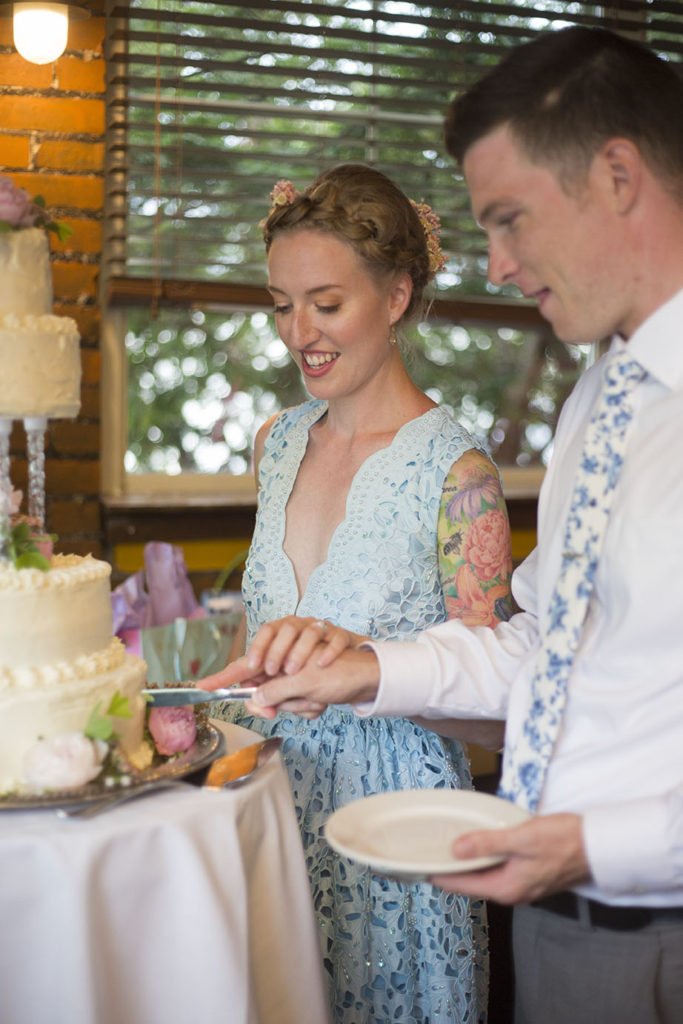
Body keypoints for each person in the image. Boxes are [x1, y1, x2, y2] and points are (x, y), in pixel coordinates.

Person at [205, 28, 683, 1024]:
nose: (495, 266)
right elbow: (541, 652)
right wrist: (366, 667)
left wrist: (595, 842)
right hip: (552, 915)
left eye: (509, 220)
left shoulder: (459, 462)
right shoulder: (596, 404)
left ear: (616, 176)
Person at [211, 162, 513, 1024]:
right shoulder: (276, 441)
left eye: (325, 303)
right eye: (280, 303)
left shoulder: (459, 478)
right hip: (266, 794)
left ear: (395, 295)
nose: (297, 331)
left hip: (392, 826)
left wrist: (374, 672)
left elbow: (496, 713)